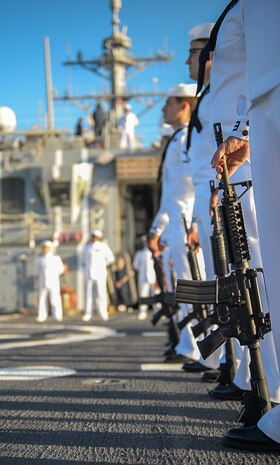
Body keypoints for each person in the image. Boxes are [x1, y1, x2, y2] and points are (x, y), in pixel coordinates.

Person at [211, 0, 280, 451]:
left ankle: (264, 382)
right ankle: (256, 378)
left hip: (267, 106)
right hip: (260, 113)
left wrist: (244, 128)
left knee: (266, 266)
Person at [148, 83, 201, 363]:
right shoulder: (178, 139)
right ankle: (189, 344)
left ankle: (199, 348)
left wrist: (197, 221)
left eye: (168, 103)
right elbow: (170, 194)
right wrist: (156, 229)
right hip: (175, 224)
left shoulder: (187, 140)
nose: (163, 109)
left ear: (183, 106)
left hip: (187, 225)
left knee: (194, 287)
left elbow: (198, 186)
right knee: (184, 288)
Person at [82, 230, 115, 322]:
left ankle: (103, 312)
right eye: (93, 236)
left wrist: (103, 264)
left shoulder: (103, 246)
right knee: (88, 294)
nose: (94, 238)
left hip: (100, 273)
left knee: (101, 293)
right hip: (89, 273)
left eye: (95, 237)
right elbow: (83, 260)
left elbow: (111, 258)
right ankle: (88, 313)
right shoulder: (87, 247)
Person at [36, 240, 66, 322]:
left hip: (54, 281)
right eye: (44, 248)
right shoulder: (40, 259)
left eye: (46, 248)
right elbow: (38, 270)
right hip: (43, 281)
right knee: (42, 299)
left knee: (55, 299)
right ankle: (42, 315)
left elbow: (61, 269)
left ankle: (57, 315)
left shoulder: (56, 258)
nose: (45, 250)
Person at [132, 235, 159, 321]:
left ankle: (158, 311)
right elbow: (135, 265)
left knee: (156, 294)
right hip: (143, 277)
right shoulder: (140, 254)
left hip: (154, 277)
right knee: (143, 294)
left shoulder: (155, 252)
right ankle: (143, 312)